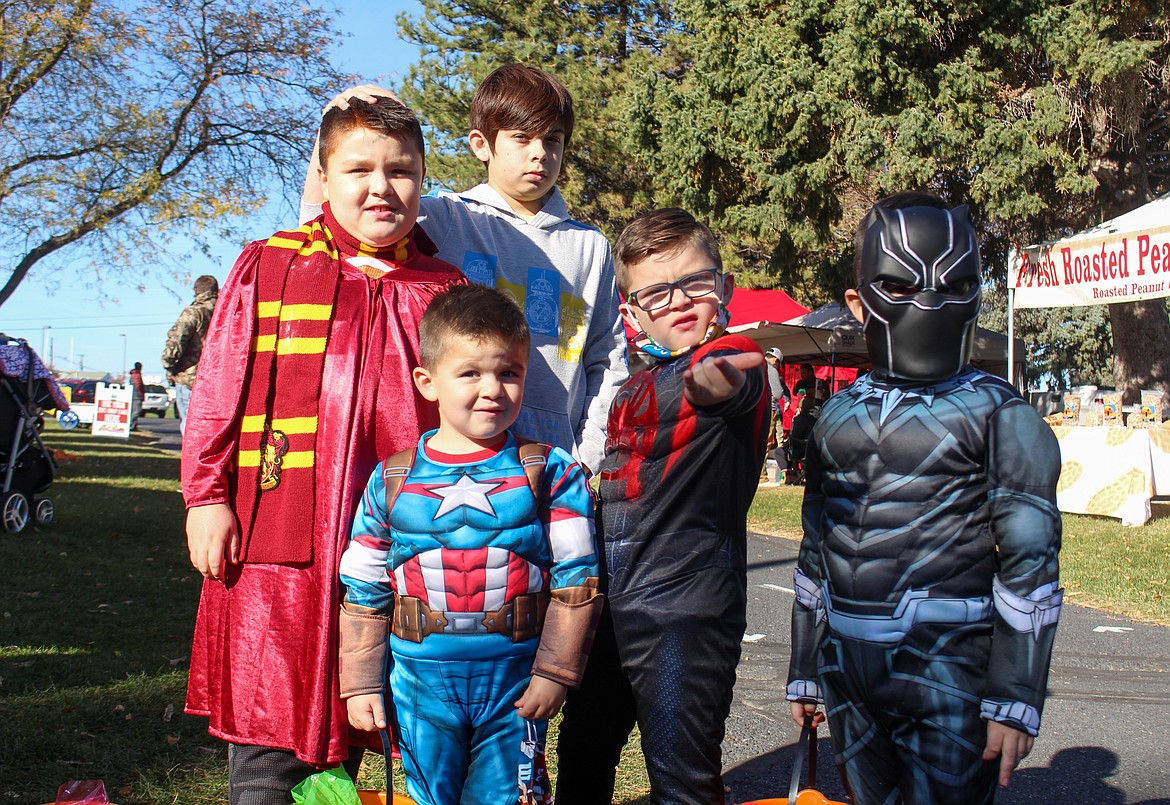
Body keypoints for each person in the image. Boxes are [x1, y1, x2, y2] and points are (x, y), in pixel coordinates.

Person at [181, 97, 465, 804]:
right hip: (281, 546)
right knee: (269, 732)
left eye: (401, 171)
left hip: (398, 544)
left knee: (373, 713)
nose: (382, 186)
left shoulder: (445, 288)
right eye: (359, 168)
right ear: (325, 175)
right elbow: (220, 385)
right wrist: (207, 495)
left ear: (423, 179)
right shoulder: (269, 266)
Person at [786, 193, 1062, 804]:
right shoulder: (836, 412)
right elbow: (816, 547)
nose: (929, 304)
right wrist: (807, 668)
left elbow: (1031, 560)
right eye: (902, 284)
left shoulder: (1001, 414)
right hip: (849, 671)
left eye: (955, 282)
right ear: (859, 303)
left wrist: (1016, 696)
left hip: (947, 668)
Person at [337, 284, 602, 805]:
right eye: (470, 373)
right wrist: (361, 681)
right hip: (419, 682)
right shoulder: (390, 478)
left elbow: (579, 579)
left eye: (508, 372)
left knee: (507, 798)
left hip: (516, 681)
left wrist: (556, 671)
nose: (492, 389)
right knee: (428, 797)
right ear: (427, 381)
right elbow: (362, 588)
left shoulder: (551, 472)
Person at [302, 65, 627, 476]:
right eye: (522, 138)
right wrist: (328, 134)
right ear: (480, 144)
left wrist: (588, 458)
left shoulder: (589, 246)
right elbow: (329, 236)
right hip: (456, 470)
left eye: (553, 140)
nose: (540, 153)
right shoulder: (443, 219)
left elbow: (608, 361)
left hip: (558, 470)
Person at [558, 208, 769, 805]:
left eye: (696, 282)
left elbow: (726, 378)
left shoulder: (733, 356)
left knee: (681, 783)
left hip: (686, 609)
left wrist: (716, 379)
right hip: (608, 608)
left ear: (725, 288)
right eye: (657, 291)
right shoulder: (632, 384)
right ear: (632, 311)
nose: (679, 300)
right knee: (582, 759)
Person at [162, 275, 219, 435]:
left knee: (190, 429)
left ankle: (191, 459)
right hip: (219, 381)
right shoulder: (227, 312)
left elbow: (175, 344)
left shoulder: (194, 312)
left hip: (190, 378)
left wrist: (169, 365)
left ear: (196, 290)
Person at [128, 361, 145, 429]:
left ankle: (134, 426)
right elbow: (138, 385)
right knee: (136, 411)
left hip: (133, 396)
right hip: (136, 396)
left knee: (134, 411)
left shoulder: (133, 374)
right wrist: (141, 394)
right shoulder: (136, 375)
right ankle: (131, 425)